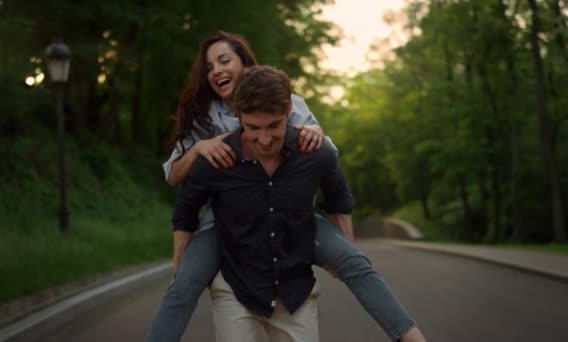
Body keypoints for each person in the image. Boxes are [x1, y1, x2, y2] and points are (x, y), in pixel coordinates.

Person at [146, 31, 426, 342]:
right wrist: (200, 149)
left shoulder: (288, 100)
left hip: (291, 213)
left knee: (356, 264)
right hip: (226, 222)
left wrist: (315, 132)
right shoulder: (203, 117)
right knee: (184, 283)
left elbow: (326, 164)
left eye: (224, 61)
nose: (216, 71)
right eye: (209, 67)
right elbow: (179, 184)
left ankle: (411, 337)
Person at [173, 65, 352, 341]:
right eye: (253, 127)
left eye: (273, 126)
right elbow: (185, 212)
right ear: (238, 115)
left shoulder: (315, 153)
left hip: (296, 295)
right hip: (234, 291)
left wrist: (346, 256)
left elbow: (339, 199)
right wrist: (180, 273)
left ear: (288, 109)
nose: (265, 139)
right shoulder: (216, 160)